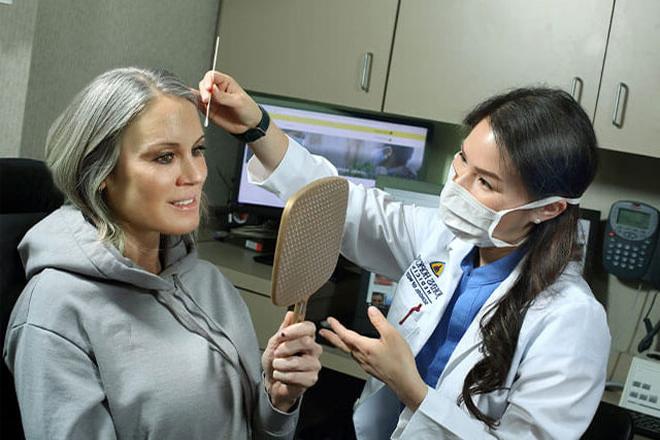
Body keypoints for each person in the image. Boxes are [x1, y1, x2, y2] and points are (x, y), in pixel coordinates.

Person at [198, 71, 611, 439]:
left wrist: (409, 388)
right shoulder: (444, 237)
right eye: (462, 160)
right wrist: (257, 127)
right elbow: (342, 206)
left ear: (548, 208)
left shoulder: (572, 320)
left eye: (485, 182)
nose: (457, 187)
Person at [3, 67, 322, 440]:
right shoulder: (56, 311)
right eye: (164, 157)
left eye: (197, 150)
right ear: (101, 170)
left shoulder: (208, 283)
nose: (195, 174)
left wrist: (277, 400)